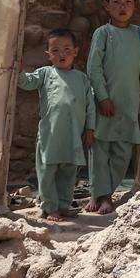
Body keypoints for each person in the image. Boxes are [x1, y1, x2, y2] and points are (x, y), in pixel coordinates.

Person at [17, 28, 96, 222]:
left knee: (69, 172)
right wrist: (19, 70)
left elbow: (90, 106)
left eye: (67, 49)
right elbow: (26, 82)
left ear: (76, 51)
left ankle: (63, 205)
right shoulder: (45, 73)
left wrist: (90, 128)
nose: (62, 54)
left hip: (73, 135)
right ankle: (50, 207)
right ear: (48, 55)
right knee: (47, 171)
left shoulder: (82, 78)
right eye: (56, 50)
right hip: (50, 135)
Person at [85, 0, 140, 215]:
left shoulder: (139, 34)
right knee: (99, 151)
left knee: (122, 152)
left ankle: (106, 192)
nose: (122, 6)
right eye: (116, 2)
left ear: (135, 5)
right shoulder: (103, 33)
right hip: (105, 103)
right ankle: (100, 194)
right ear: (106, 5)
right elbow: (93, 68)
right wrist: (102, 97)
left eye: (128, 2)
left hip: (129, 104)